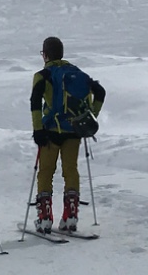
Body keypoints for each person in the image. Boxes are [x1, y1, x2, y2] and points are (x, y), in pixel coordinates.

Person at [31, 36, 106, 234]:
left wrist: (37, 129)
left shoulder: (42, 75)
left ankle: (45, 218)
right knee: (70, 170)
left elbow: (35, 103)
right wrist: (89, 118)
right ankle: (70, 217)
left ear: (45, 54)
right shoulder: (78, 74)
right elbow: (100, 92)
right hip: (74, 131)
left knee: (46, 172)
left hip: (50, 131)